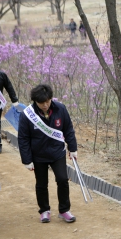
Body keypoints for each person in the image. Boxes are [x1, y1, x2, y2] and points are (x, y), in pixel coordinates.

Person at [18, 84, 78, 224]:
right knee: (41, 183)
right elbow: (23, 138)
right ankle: (44, 210)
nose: (45, 105)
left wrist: (73, 148)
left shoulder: (60, 109)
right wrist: (26, 160)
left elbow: (68, 129)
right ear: (35, 101)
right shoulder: (27, 115)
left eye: (47, 101)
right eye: (41, 103)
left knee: (63, 179)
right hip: (38, 155)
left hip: (57, 152)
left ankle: (64, 210)